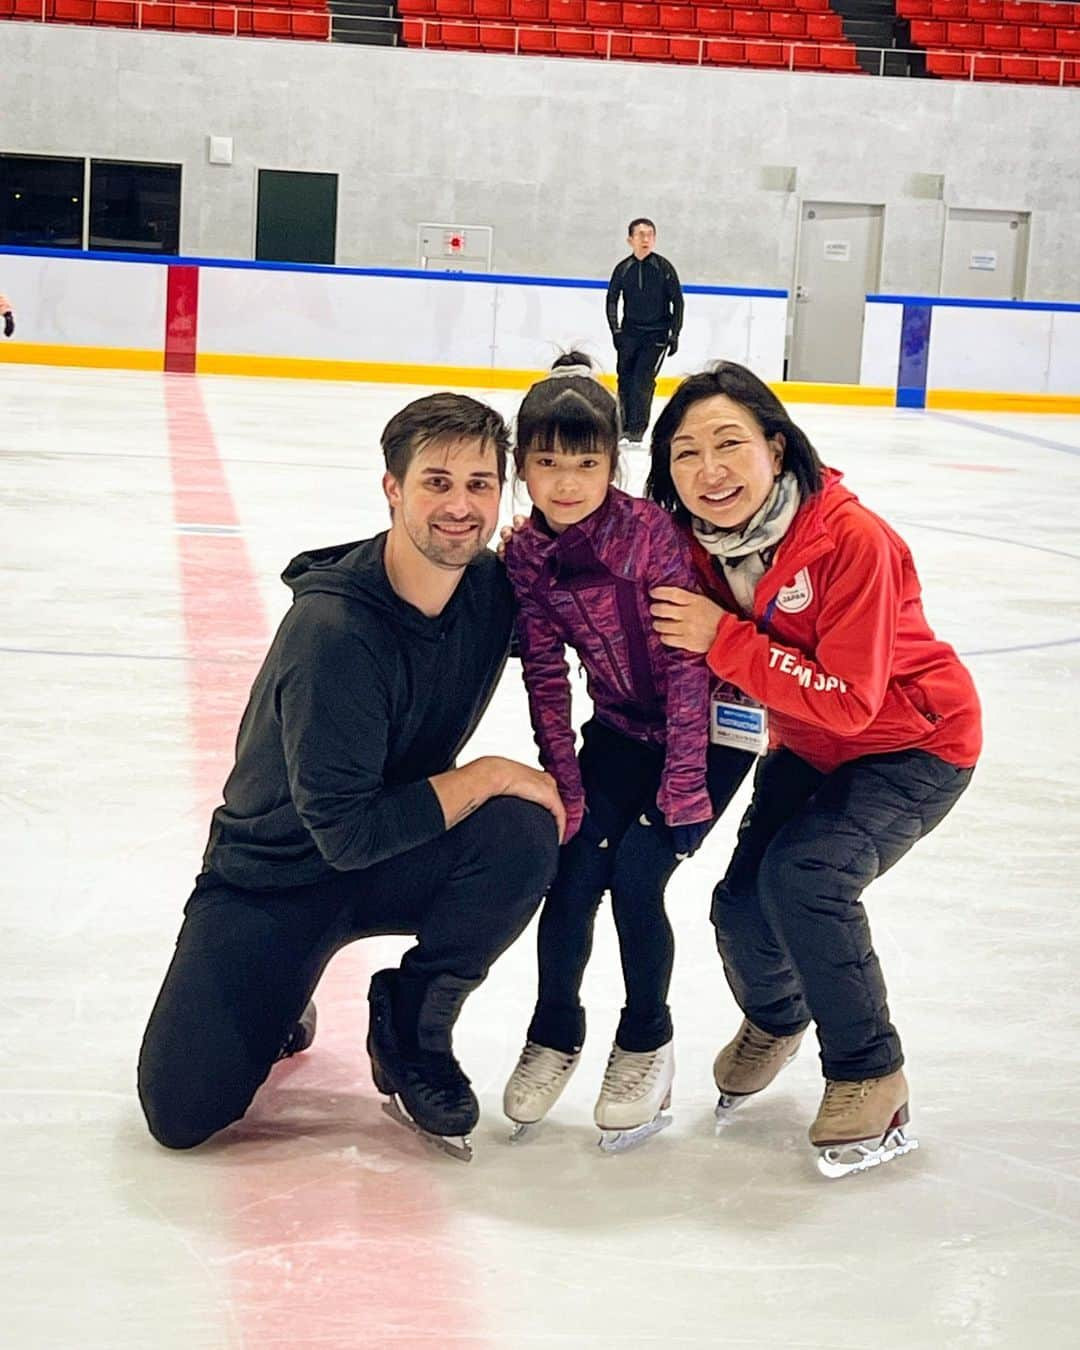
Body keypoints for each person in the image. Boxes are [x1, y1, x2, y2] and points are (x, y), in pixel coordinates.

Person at [138, 392, 564, 1161]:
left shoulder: (490, 593)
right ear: (392, 489)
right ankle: (282, 997)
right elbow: (345, 831)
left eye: (479, 483)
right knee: (182, 1113)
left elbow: (602, 605)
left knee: (523, 833)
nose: (460, 506)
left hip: (392, 856)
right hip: (274, 876)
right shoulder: (335, 633)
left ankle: (412, 1022)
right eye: (436, 482)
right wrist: (488, 771)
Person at [646, 362, 981, 1178]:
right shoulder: (696, 542)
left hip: (914, 742)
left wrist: (722, 642)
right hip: (806, 743)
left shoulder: (852, 542)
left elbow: (852, 704)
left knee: (806, 877)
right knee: (737, 909)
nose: (710, 470)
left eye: (730, 444)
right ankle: (776, 1015)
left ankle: (872, 1073)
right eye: (686, 453)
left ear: (777, 446)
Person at [500, 354, 753, 1150]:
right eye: (546, 463)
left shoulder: (649, 536)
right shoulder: (527, 559)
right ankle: (554, 1030)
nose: (567, 482)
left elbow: (686, 666)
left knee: (640, 880)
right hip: (615, 733)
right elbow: (545, 675)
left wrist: (683, 783)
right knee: (571, 877)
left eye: (587, 462)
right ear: (523, 468)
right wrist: (565, 782)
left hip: (706, 732)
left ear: (615, 461)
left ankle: (647, 1041)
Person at [606, 218, 683, 451]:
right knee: (625, 378)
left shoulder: (664, 268)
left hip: (657, 334)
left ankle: (638, 430)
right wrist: (616, 329)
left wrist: (674, 333)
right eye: (640, 235)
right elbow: (611, 299)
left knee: (643, 379)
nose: (646, 239)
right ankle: (624, 427)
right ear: (630, 240)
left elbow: (677, 301)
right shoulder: (623, 269)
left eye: (650, 234)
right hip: (629, 333)